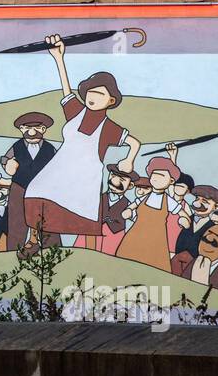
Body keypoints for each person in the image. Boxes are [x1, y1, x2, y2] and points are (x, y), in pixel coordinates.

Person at [24, 36, 141, 250]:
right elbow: (66, 90)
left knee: (72, 212)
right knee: (35, 191)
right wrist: (59, 58)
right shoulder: (77, 111)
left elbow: (134, 142)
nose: (92, 97)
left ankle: (76, 250)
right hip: (61, 167)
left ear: (111, 100)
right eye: (90, 92)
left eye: (99, 94)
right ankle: (34, 240)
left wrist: (129, 161)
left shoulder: (109, 127)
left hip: (82, 175)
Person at [117, 156, 190, 273]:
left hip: (156, 239)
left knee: (154, 266)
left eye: (161, 176)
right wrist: (129, 210)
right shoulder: (145, 197)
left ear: (171, 181)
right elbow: (133, 205)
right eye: (153, 175)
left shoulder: (169, 201)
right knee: (126, 259)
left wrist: (184, 219)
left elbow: (182, 213)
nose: (156, 179)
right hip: (136, 234)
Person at [0, 112, 56, 252]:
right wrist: (7, 164)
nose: (32, 132)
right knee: (17, 222)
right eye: (27, 128)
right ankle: (14, 250)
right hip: (20, 188)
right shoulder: (16, 146)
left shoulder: (50, 148)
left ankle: (51, 250)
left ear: (43, 129)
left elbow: (59, 165)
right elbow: (5, 159)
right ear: (21, 129)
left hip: (45, 191)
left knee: (48, 222)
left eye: (37, 128)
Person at [174, 184, 218, 263]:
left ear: (216, 207)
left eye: (204, 201)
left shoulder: (212, 228)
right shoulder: (187, 218)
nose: (197, 203)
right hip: (177, 259)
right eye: (197, 199)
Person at [100, 165, 135, 257]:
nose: (115, 181)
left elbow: (136, 218)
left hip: (115, 234)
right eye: (113, 175)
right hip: (96, 232)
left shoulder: (128, 204)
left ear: (130, 185)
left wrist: (130, 214)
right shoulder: (99, 198)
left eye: (122, 180)